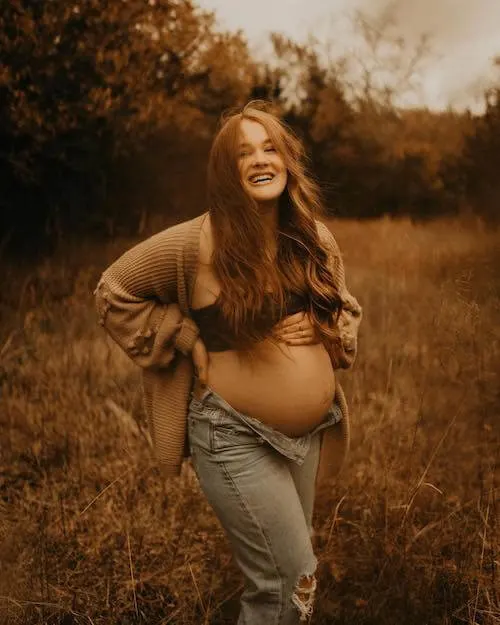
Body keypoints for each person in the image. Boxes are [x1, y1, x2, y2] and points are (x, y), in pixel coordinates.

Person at [94, 100, 362, 624]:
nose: (262, 160)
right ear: (226, 169)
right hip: (232, 433)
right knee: (291, 579)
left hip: (307, 435)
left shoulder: (312, 237)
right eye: (245, 153)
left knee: (283, 584)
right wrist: (181, 330)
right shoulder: (192, 243)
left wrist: (324, 327)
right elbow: (113, 289)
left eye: (271, 148)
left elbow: (345, 307)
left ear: (287, 160)